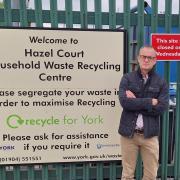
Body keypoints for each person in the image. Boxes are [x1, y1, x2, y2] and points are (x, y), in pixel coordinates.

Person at [118, 46, 169, 180]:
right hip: (129, 134)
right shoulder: (127, 78)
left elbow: (161, 107)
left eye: (150, 57)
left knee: (151, 175)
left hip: (150, 135)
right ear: (138, 58)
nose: (146, 60)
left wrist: (136, 101)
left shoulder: (161, 82)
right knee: (127, 174)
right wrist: (150, 102)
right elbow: (124, 102)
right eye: (143, 56)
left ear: (155, 60)